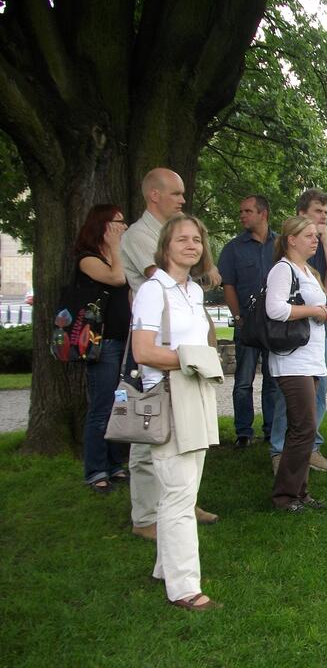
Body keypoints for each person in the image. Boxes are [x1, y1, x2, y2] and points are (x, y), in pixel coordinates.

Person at [120, 168, 219, 539]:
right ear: (154, 195)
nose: (182, 199)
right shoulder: (139, 235)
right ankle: (145, 516)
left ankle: (182, 502)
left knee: (185, 440)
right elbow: (165, 272)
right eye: (176, 193)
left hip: (181, 346)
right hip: (155, 346)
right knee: (151, 432)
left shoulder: (184, 272)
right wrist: (194, 359)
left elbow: (198, 278)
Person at [131, 214, 222, 610]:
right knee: (178, 494)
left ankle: (165, 569)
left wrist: (198, 362)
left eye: (197, 239)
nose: (191, 245)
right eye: (182, 239)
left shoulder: (193, 292)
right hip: (168, 394)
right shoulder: (155, 290)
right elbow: (143, 352)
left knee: (184, 489)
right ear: (165, 246)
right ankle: (185, 588)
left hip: (195, 390)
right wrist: (193, 358)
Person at [269, 188, 327, 474]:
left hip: (318, 336)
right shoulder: (287, 255)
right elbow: (277, 305)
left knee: (318, 394)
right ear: (301, 214)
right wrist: (315, 308)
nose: (323, 218)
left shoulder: (321, 244)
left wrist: (324, 240)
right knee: (288, 398)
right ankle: (280, 451)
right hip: (292, 339)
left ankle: (309, 449)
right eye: (317, 212)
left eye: (326, 213)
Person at [74, 205, 130, 493]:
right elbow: (117, 279)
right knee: (102, 407)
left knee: (120, 405)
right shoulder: (88, 259)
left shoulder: (116, 255)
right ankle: (95, 470)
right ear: (104, 226)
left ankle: (115, 463)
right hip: (103, 344)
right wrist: (114, 247)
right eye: (119, 223)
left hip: (123, 342)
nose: (124, 226)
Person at [217, 194, 276, 449]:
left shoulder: (282, 244)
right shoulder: (233, 248)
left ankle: (272, 430)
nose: (242, 215)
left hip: (275, 325)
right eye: (241, 211)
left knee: (273, 381)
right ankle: (243, 432)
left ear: (263, 214)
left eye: (247, 211)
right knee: (243, 381)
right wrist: (238, 317)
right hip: (247, 324)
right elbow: (228, 285)